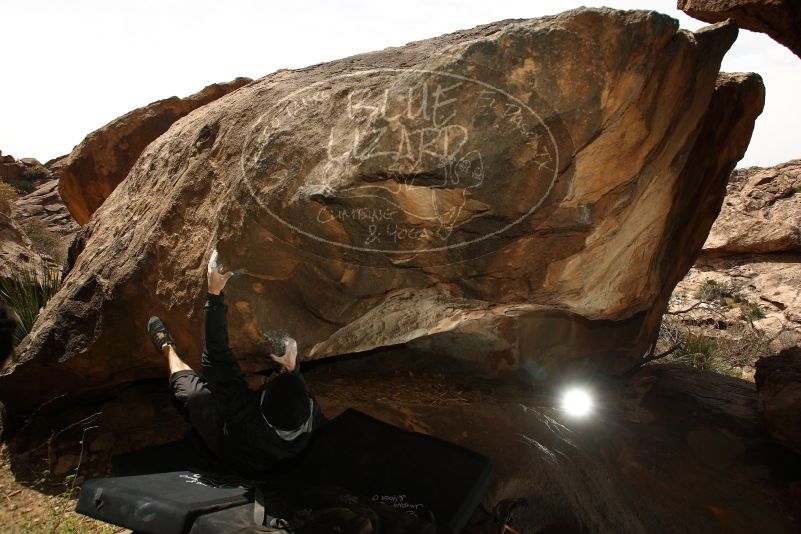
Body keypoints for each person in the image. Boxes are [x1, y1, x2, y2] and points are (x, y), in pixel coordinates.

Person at [147, 249, 326, 473]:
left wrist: (214, 295)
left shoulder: (244, 415)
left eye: (271, 382)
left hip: (231, 448)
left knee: (194, 396)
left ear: (260, 404)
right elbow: (294, 393)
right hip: (271, 454)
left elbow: (215, 355)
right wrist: (293, 369)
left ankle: (167, 348)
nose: (273, 376)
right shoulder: (309, 412)